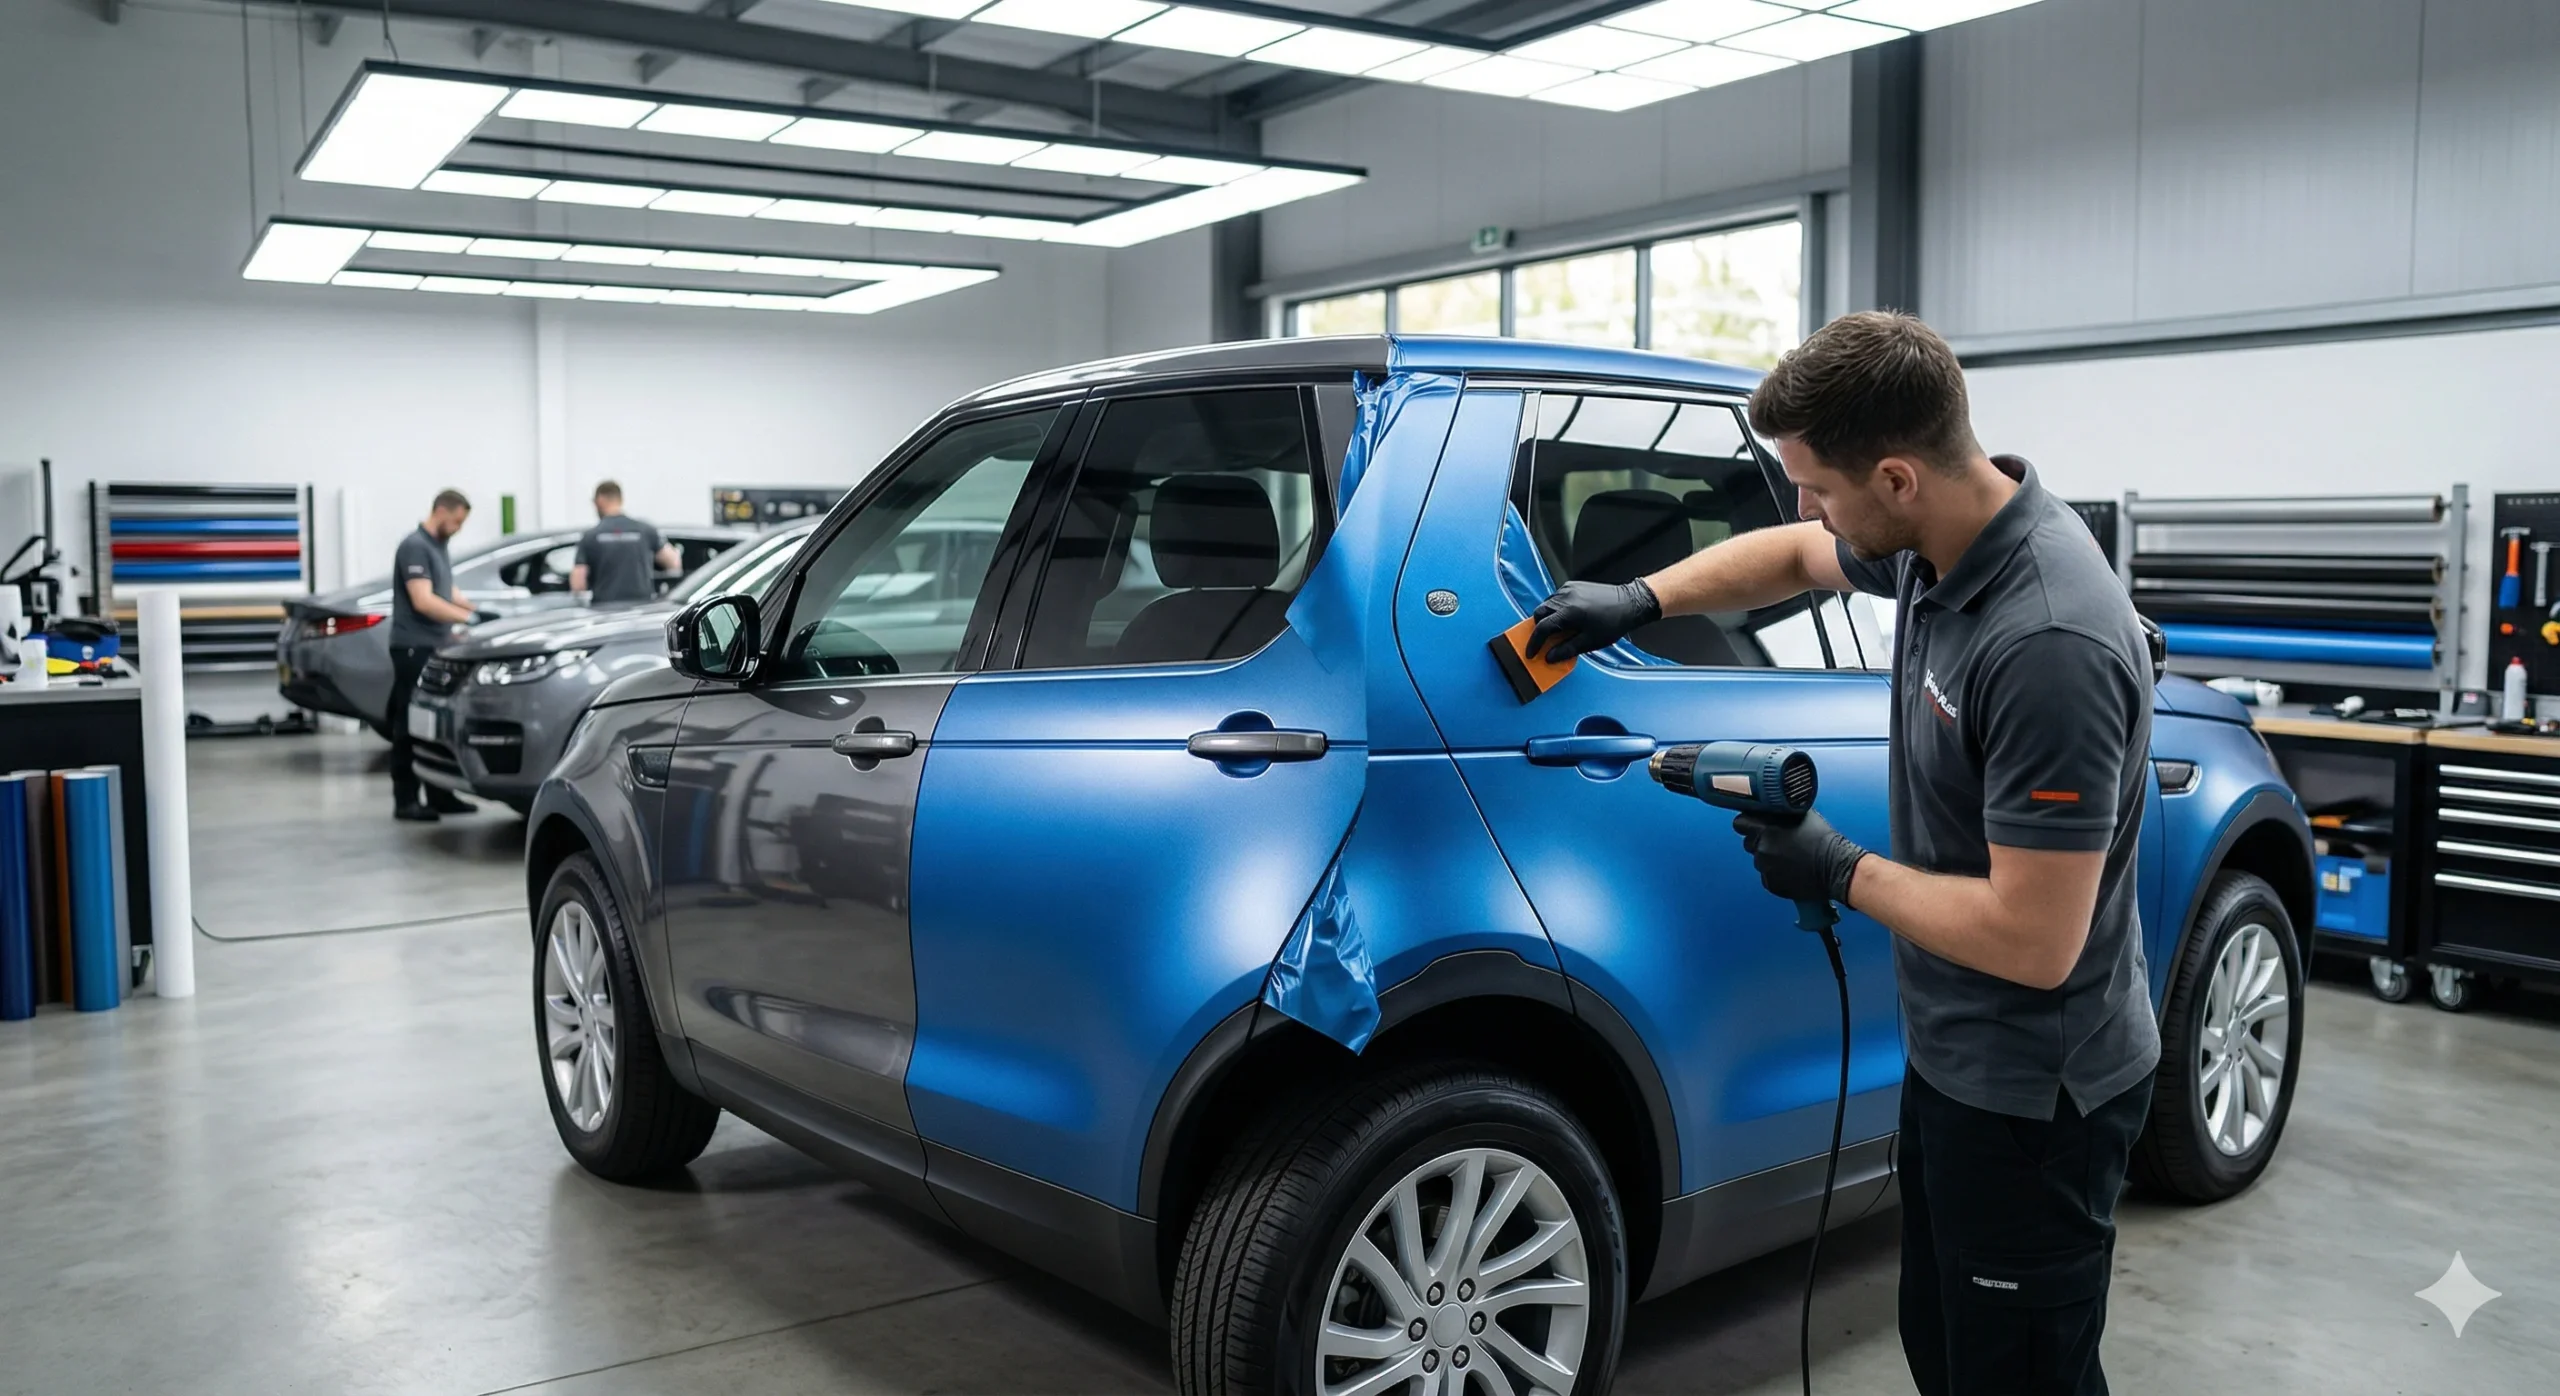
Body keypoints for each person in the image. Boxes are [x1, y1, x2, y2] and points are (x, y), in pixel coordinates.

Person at [1530, 311, 2156, 1396]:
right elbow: (1790, 557)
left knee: (2019, 1377)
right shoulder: (1933, 545)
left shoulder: (2046, 638)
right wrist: (1641, 599)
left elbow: (2036, 938)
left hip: (2038, 1094)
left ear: (1898, 478)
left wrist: (1837, 867)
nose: (1805, 508)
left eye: (1817, 485)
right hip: (1956, 1060)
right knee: (1947, 1350)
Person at [388, 490, 479, 823]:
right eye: (456, 521)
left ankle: (440, 794)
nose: (458, 528)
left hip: (436, 647)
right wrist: (466, 618)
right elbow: (423, 600)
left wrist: (475, 608)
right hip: (413, 648)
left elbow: (446, 590)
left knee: (434, 724)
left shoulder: (438, 546)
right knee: (408, 724)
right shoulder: (414, 545)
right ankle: (406, 798)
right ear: (441, 510)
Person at [569, 480, 679, 605]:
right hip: (642, 608)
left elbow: (578, 583)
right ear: (620, 500)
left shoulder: (591, 536)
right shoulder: (645, 530)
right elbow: (673, 561)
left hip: (603, 610)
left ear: (600, 500)